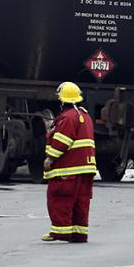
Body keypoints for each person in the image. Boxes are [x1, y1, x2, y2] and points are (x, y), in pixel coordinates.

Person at [41, 81, 96, 243]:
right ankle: (79, 234)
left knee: (59, 200)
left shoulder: (67, 117)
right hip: (85, 169)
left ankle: (60, 233)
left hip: (68, 169)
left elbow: (62, 142)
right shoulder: (85, 115)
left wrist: (50, 158)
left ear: (63, 100)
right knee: (81, 201)